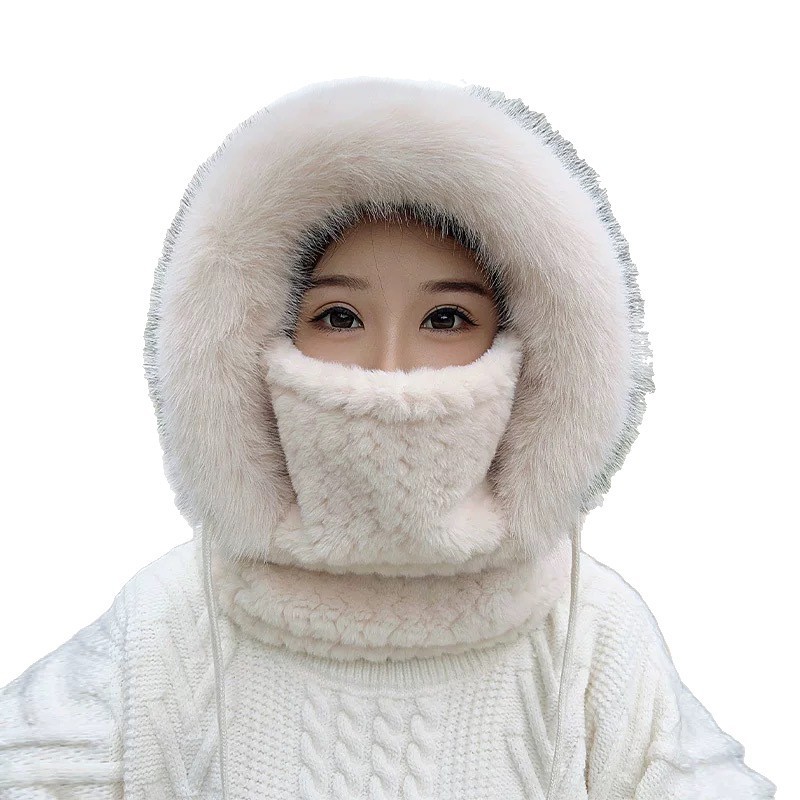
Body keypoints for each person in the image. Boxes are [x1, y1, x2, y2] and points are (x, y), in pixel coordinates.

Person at [0, 76, 776, 800]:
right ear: (249, 343)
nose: (390, 369)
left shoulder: (588, 628)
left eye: (448, 319)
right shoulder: (174, 619)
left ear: (547, 357)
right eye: (339, 317)